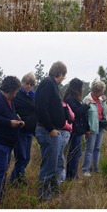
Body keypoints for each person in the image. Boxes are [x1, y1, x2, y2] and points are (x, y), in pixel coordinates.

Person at [0, 76, 24, 206]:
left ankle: (0, 195)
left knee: (3, 170)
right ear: (10, 89)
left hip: (6, 144)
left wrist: (17, 120)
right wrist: (10, 123)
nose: (17, 93)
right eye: (16, 91)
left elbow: (9, 114)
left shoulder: (10, 101)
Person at [35, 61, 67, 201]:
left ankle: (53, 191)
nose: (63, 79)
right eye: (64, 76)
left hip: (55, 131)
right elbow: (41, 108)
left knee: (56, 164)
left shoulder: (52, 85)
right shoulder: (47, 84)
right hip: (47, 131)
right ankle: (43, 196)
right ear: (59, 73)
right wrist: (51, 129)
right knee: (49, 165)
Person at [9, 73, 36, 186]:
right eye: (26, 83)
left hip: (29, 131)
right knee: (21, 156)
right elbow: (11, 108)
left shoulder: (33, 95)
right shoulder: (17, 95)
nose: (28, 86)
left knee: (27, 158)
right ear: (22, 83)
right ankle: (20, 181)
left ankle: (13, 180)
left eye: (31, 84)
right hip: (20, 130)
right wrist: (16, 115)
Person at [64, 79, 91, 180]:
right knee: (75, 153)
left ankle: (72, 175)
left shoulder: (73, 98)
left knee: (74, 152)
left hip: (77, 129)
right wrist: (86, 105)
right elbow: (77, 112)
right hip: (74, 129)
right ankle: (72, 176)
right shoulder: (70, 99)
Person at [82, 80, 107, 176]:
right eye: (102, 91)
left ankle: (95, 168)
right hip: (92, 128)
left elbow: (104, 112)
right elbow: (84, 115)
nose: (103, 93)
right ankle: (85, 170)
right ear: (96, 91)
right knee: (89, 149)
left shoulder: (101, 99)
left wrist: (104, 102)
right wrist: (86, 129)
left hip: (100, 126)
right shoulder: (87, 99)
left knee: (97, 148)